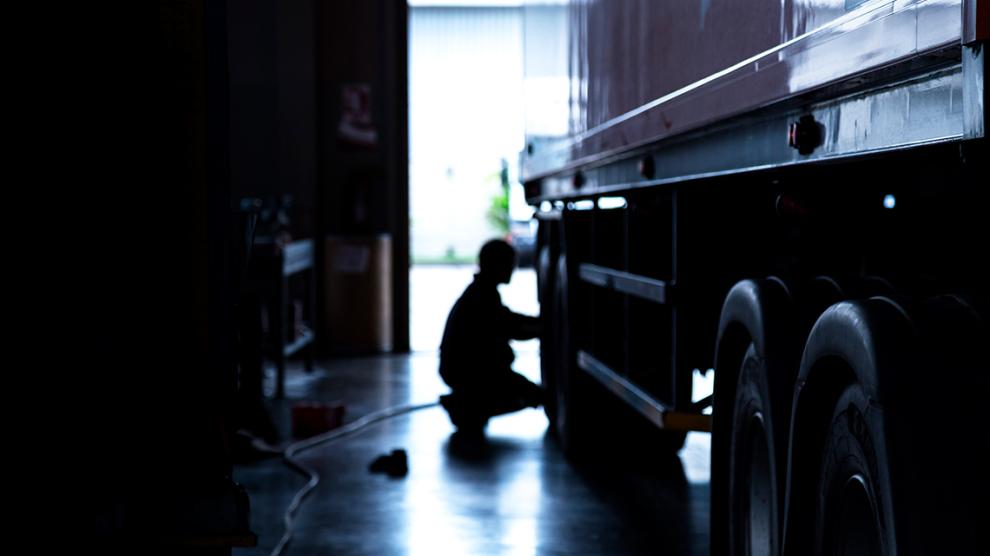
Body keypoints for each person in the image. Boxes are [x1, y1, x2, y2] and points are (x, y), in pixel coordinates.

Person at [438, 239, 544, 433]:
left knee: (530, 392)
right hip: (474, 372)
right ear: (497, 265)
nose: (513, 269)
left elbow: (509, 320)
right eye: (510, 264)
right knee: (535, 395)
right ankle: (467, 406)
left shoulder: (480, 291)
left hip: (468, 371)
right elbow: (512, 327)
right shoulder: (482, 296)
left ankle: (468, 403)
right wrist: (544, 326)